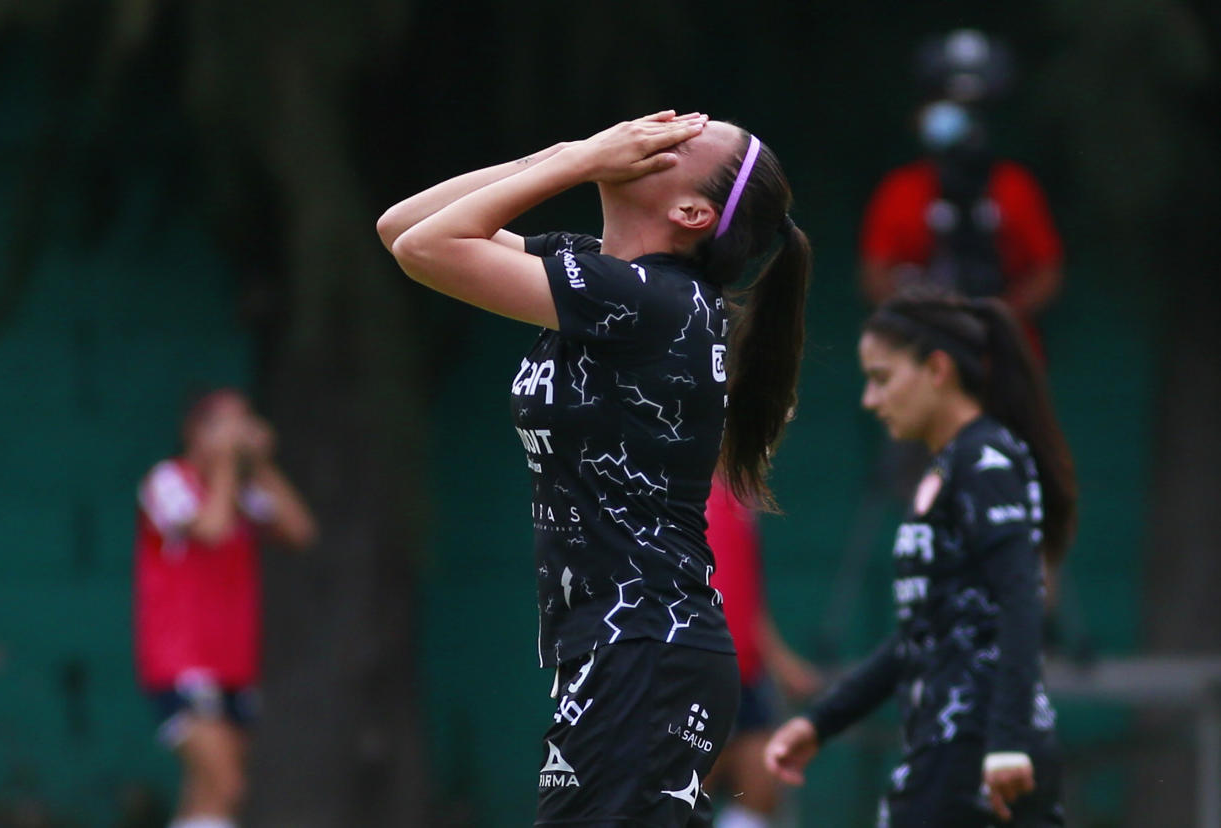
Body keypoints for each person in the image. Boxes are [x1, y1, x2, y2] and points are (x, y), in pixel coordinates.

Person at [378, 111, 812, 826]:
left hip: (642, 650)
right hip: (630, 651)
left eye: (688, 142)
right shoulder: (618, 284)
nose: (665, 128)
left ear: (692, 212)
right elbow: (402, 225)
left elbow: (429, 248)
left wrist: (579, 164)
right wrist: (567, 152)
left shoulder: (646, 299)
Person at [764, 291, 1077, 827]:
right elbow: (922, 633)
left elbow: (1021, 597)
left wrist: (1004, 742)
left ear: (937, 369)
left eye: (882, 377)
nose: (869, 398)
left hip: (977, 756)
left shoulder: (984, 460)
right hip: (955, 750)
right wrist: (820, 723)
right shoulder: (949, 466)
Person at [133, 389, 316, 828]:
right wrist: (227, 465)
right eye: (227, 423)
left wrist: (263, 464)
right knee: (228, 783)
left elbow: (299, 530)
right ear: (196, 431)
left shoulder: (242, 489)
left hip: (234, 663)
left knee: (209, 793)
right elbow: (211, 530)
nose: (239, 432)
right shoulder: (168, 480)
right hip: (182, 662)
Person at [859, 29, 1063, 358]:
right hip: (922, 357)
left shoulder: (1015, 186)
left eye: (973, 108)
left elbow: (1047, 271)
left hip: (1004, 358)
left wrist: (997, 315)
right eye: (950, 105)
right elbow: (874, 276)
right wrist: (929, 318)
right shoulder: (901, 189)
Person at [703, 473, 820, 828]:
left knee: (762, 787)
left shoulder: (742, 498)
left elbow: (746, 597)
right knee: (687, 795)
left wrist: (782, 663)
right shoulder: (676, 488)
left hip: (747, 678)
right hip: (697, 674)